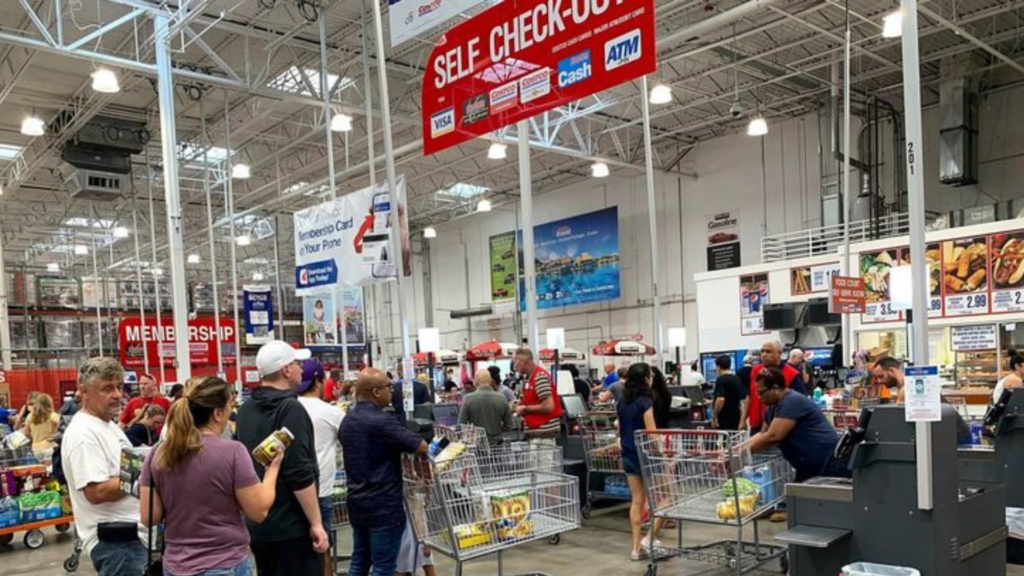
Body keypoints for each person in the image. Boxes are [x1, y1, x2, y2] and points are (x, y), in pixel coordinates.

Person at [139, 376, 283, 576]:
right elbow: (258, 511)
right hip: (224, 562)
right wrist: (272, 469)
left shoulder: (158, 453)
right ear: (217, 413)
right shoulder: (233, 452)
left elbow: (149, 516)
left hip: (176, 565)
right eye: (228, 407)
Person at [236, 340, 328, 576]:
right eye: (298, 364)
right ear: (286, 370)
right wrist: (316, 523)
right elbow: (298, 472)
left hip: (259, 523)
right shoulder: (290, 409)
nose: (301, 369)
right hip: (292, 527)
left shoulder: (246, 409)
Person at [340, 368, 429, 576]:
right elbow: (420, 446)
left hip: (357, 503)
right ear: (376, 392)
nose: (392, 391)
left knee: (359, 562)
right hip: (384, 506)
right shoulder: (382, 421)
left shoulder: (347, 421)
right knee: (382, 567)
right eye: (389, 387)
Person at [63, 358, 146, 576]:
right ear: (84, 392)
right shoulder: (84, 434)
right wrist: (146, 474)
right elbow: (97, 491)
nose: (118, 394)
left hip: (131, 539)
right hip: (117, 545)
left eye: (119, 387)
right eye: (107, 388)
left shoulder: (108, 425)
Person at [744, 367, 847, 482]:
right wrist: (734, 450)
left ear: (775, 389)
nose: (758, 397)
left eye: (760, 393)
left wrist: (742, 453)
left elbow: (773, 437)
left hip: (828, 463)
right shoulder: (773, 407)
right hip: (809, 466)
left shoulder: (791, 401)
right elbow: (763, 434)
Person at [297, 358, 345, 576]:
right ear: (318, 381)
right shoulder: (332, 412)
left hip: (294, 490)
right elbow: (350, 443)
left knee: (298, 549)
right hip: (321, 489)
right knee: (323, 545)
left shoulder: (288, 409)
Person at [616, 363, 664, 560]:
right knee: (668, 498)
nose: (652, 378)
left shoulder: (622, 401)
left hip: (628, 454)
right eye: (650, 375)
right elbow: (652, 434)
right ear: (645, 378)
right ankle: (649, 537)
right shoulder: (646, 401)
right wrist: (665, 452)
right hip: (647, 456)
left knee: (637, 500)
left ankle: (636, 548)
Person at [748, 340, 806, 433]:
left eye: (768, 351)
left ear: (779, 353)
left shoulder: (792, 374)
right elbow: (750, 395)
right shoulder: (756, 370)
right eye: (762, 351)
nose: (764, 355)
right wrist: (743, 419)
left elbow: (800, 403)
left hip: (780, 425)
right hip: (756, 424)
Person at [512, 347, 563, 448]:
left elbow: (548, 406)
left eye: (515, 363)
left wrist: (525, 409)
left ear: (522, 362)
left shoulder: (539, 377)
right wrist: (521, 403)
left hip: (543, 437)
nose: (514, 367)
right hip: (538, 435)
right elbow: (535, 400)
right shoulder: (531, 378)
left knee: (544, 464)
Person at [460, 369, 514, 446]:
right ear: (490, 380)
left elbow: (461, 425)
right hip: (497, 445)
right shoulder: (502, 398)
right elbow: (509, 426)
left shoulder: (468, 399)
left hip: (477, 446)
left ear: (475, 381)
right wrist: (497, 428)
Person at [23, 393, 60, 463]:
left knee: (42, 471)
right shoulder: (52, 415)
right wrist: (56, 435)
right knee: (52, 470)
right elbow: (61, 424)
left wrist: (33, 438)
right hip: (50, 447)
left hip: (36, 449)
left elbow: (26, 432)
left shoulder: (30, 416)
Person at [712, 355, 747, 430]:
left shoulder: (720, 380)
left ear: (719, 367)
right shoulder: (737, 379)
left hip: (724, 419)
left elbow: (720, 399)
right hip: (735, 418)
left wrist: (714, 416)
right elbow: (740, 400)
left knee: (723, 440)